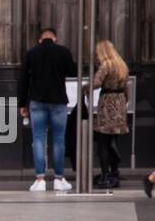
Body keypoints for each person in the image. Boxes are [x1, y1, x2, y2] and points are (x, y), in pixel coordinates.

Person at [18, 27, 77, 193]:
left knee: (38, 139)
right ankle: (59, 179)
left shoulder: (31, 53)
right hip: (58, 101)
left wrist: (22, 103)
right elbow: (73, 72)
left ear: (40, 40)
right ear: (55, 38)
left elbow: (23, 80)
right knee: (59, 140)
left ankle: (40, 179)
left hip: (37, 101)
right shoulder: (63, 52)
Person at [90, 39, 129, 189]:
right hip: (119, 104)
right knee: (113, 141)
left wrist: (86, 87)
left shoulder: (106, 65)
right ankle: (115, 172)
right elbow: (127, 88)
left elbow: (96, 83)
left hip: (107, 105)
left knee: (103, 143)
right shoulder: (121, 65)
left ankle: (105, 175)